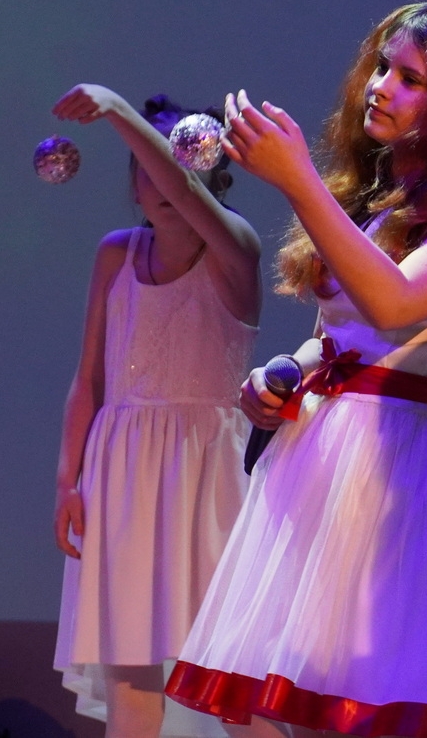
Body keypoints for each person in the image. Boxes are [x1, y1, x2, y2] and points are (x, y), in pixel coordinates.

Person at [164, 0, 427, 738]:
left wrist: (297, 181)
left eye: (412, 79)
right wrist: (284, 373)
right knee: (302, 698)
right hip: (329, 462)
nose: (381, 86)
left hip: (413, 470)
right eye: (382, 67)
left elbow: (393, 304)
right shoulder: (381, 209)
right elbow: (342, 338)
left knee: (387, 698)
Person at [49, 88, 262, 738]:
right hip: (121, 474)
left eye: (184, 156)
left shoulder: (236, 248)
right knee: (131, 683)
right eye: (148, 163)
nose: (166, 176)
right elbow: (89, 378)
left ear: (214, 173)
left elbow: (187, 196)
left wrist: (117, 110)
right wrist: (68, 480)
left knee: (230, 686)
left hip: (207, 479)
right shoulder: (116, 253)